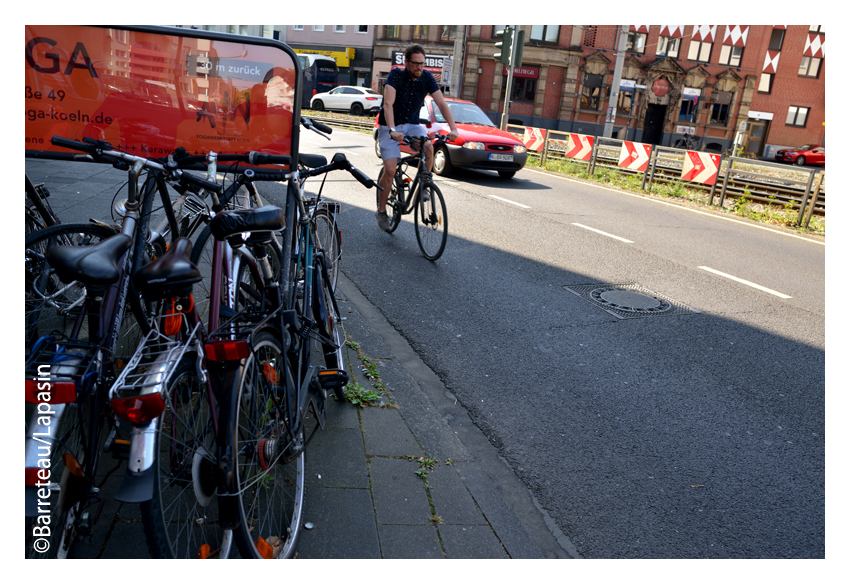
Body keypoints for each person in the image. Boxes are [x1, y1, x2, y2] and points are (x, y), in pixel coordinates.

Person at [375, 44, 458, 231]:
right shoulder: (396, 74)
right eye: (415, 64)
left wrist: (453, 128)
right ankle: (381, 211)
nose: (419, 67)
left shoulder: (427, 77)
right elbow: (388, 104)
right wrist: (392, 129)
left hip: (412, 125)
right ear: (406, 62)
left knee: (428, 147)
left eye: (422, 63)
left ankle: (424, 186)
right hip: (390, 125)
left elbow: (442, 104)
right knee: (390, 169)